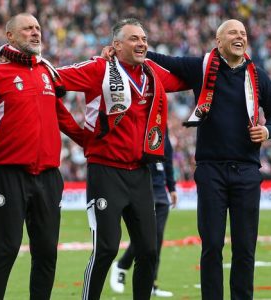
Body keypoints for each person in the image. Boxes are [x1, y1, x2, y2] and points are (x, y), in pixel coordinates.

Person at [144, 19, 271, 299]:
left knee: (245, 247)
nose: (240, 36)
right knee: (211, 245)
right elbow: (166, 61)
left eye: (244, 33)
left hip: (247, 170)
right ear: (218, 41)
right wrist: (129, 50)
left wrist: (268, 130)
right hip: (211, 170)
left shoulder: (257, 75)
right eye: (233, 32)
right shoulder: (202, 67)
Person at [57, 18, 187, 300]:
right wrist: (77, 133)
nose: (142, 43)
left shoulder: (152, 74)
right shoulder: (99, 69)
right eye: (134, 39)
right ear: (115, 45)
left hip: (141, 173)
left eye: (144, 39)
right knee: (106, 249)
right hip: (106, 171)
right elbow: (51, 78)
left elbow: (186, 77)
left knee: (149, 251)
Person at [0, 13, 83, 300]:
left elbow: (62, 116)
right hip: (9, 174)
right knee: (4, 251)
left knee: (47, 252)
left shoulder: (46, 72)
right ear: (10, 36)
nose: (36, 32)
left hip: (49, 176)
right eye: (28, 28)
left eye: (38, 27)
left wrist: (89, 142)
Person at [109, 130, 177, 297]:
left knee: (156, 240)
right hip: (145, 187)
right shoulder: (142, 120)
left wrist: (172, 187)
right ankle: (122, 265)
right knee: (149, 238)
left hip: (161, 192)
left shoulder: (162, 126)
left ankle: (151, 282)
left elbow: (167, 158)